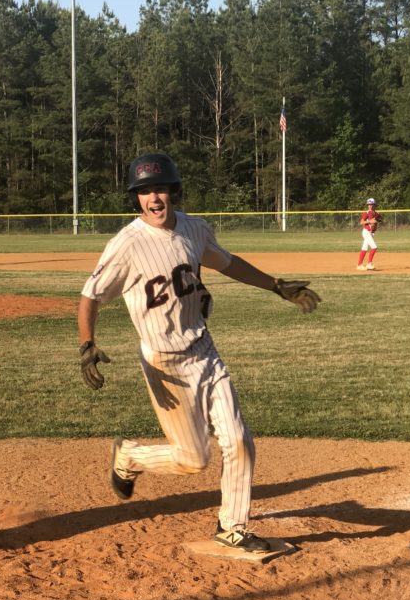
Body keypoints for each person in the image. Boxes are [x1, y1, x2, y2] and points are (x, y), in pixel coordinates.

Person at [77, 152, 321, 553]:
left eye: (159, 189)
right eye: (143, 192)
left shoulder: (194, 229)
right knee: (192, 460)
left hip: (204, 351)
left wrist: (275, 285)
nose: (153, 198)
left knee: (239, 439)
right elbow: (90, 298)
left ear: (173, 191)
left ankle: (233, 527)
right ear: (136, 199)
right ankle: (130, 456)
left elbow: (228, 264)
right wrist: (87, 344)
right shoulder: (126, 245)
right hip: (164, 364)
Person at [357, 197, 383, 270]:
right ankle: (369, 264)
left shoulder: (377, 213)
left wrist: (377, 220)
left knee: (364, 248)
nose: (370, 206)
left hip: (371, 233)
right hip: (366, 232)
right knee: (374, 247)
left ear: (374, 205)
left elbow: (379, 219)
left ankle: (359, 265)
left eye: (371, 204)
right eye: (368, 204)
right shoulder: (366, 213)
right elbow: (361, 222)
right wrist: (370, 221)